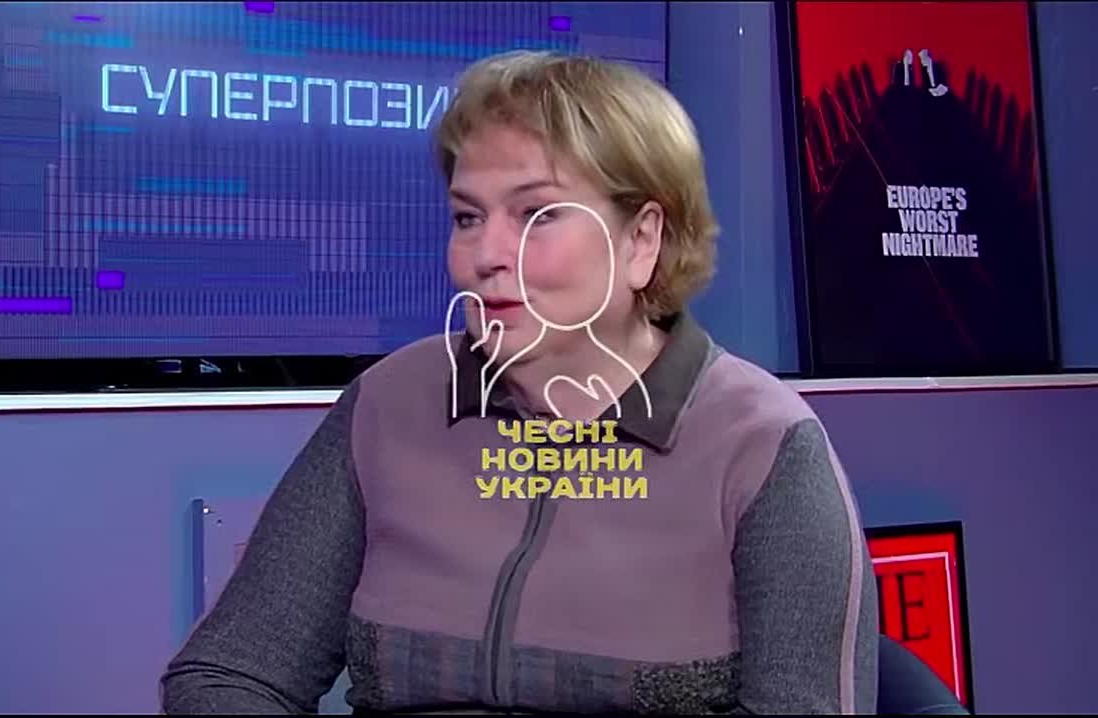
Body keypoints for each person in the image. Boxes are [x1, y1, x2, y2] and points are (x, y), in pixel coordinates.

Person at [160, 50, 879, 715]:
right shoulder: (386, 404)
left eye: (538, 215)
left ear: (641, 241)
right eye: (468, 217)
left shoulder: (762, 446)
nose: (486, 254)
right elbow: (228, 675)